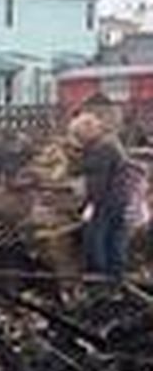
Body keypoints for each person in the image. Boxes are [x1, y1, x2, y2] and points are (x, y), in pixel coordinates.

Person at [69, 112, 131, 277]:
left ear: (86, 132)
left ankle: (98, 276)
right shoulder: (111, 143)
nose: (79, 141)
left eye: (79, 136)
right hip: (120, 198)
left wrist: (87, 206)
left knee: (94, 236)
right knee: (116, 237)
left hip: (105, 201)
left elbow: (98, 184)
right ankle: (116, 275)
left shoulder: (100, 149)